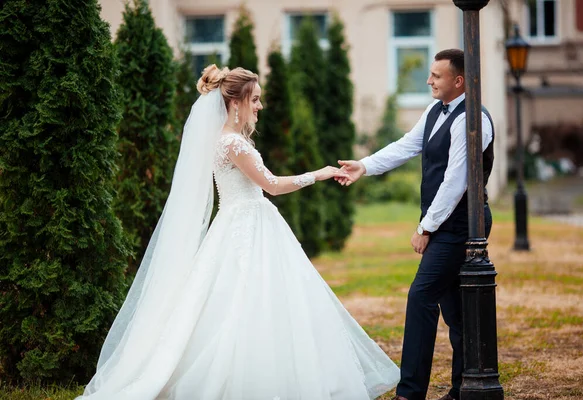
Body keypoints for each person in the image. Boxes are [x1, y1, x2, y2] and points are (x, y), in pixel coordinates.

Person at [76, 65, 399, 400]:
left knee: (253, 298)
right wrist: (318, 174)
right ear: (235, 103)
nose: (259, 106)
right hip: (247, 222)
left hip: (242, 221)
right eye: (254, 99)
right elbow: (271, 185)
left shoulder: (228, 140)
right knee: (246, 298)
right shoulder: (233, 143)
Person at [335, 49, 495, 400]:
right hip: (448, 224)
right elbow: (407, 145)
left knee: (421, 296)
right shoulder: (436, 111)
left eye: (436, 76)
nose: (429, 81)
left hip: (462, 225)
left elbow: (456, 181)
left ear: (459, 80)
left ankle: (409, 393)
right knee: (455, 311)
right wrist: (365, 165)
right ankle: (462, 390)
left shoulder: (475, 120)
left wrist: (426, 228)